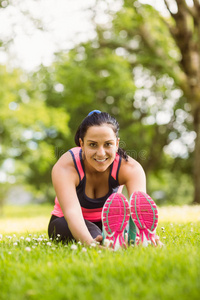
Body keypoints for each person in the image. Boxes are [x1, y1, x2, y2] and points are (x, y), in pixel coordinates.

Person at [48, 110, 161, 250]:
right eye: (93, 145)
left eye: (108, 144)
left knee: (124, 228)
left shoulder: (130, 168)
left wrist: (149, 235)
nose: (101, 153)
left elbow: (141, 209)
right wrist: (90, 244)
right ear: (81, 144)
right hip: (67, 222)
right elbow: (72, 212)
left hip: (112, 223)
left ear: (117, 144)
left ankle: (128, 238)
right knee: (67, 227)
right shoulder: (66, 167)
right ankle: (108, 239)